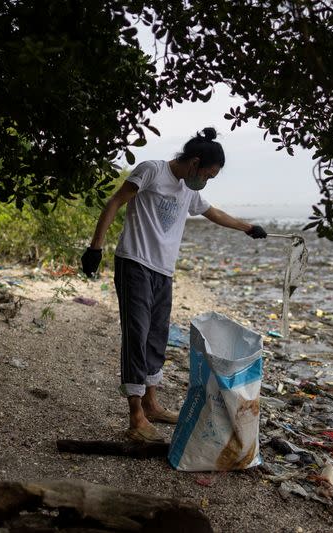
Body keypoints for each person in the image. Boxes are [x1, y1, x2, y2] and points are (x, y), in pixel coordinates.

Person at [81, 127, 267, 443]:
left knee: (156, 338)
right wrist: (95, 247)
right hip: (135, 264)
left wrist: (248, 228)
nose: (205, 181)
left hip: (163, 272)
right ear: (194, 162)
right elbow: (115, 202)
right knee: (136, 336)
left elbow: (214, 213)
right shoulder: (152, 170)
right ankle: (135, 416)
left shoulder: (189, 191)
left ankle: (151, 404)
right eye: (207, 174)